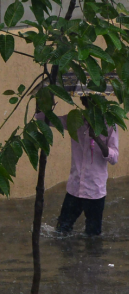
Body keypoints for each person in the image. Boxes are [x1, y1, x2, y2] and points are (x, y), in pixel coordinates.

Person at [36, 96, 119, 235]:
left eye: (96, 101)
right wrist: (43, 101)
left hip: (95, 191)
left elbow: (114, 158)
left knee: (93, 235)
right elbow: (44, 119)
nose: (92, 105)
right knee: (61, 230)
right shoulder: (75, 120)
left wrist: (97, 139)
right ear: (83, 102)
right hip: (75, 188)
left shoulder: (110, 124)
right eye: (88, 101)